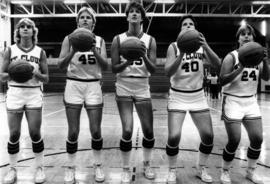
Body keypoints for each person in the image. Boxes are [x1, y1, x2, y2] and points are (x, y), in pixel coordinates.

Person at [164, 15, 221, 183]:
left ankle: (200, 168)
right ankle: (172, 170)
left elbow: (217, 63)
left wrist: (206, 45)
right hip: (177, 95)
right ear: (180, 29)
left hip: (197, 96)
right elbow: (167, 72)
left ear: (196, 29)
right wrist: (181, 54)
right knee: (174, 136)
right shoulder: (173, 47)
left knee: (208, 136)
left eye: (191, 24)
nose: (188, 26)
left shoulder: (201, 48)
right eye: (184, 24)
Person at [58, 6, 108, 183]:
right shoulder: (69, 39)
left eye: (88, 18)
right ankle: (70, 167)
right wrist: (74, 49)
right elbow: (61, 65)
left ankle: (98, 165)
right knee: (73, 132)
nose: (85, 20)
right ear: (77, 22)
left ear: (93, 23)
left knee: (95, 130)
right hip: (74, 85)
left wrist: (93, 49)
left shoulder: (100, 40)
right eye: (82, 17)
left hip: (93, 86)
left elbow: (106, 66)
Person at [110, 1, 157, 183]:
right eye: (132, 12)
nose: (135, 14)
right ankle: (125, 168)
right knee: (128, 130)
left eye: (138, 12)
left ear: (142, 17)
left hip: (143, 86)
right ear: (127, 16)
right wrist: (128, 62)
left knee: (148, 131)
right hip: (123, 85)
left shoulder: (150, 40)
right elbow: (114, 69)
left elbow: (153, 70)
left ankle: (147, 163)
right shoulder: (118, 39)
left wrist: (143, 54)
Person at [219, 24, 270, 184]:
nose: (246, 36)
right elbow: (222, 80)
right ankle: (225, 171)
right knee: (234, 139)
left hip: (250, 101)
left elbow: (266, 78)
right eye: (243, 34)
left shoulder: (257, 56)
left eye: (249, 34)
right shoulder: (231, 56)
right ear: (238, 39)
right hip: (232, 100)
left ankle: (250, 171)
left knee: (257, 139)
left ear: (253, 38)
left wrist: (266, 61)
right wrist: (240, 68)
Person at [0, 18, 49, 184]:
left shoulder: (40, 52)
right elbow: (1, 76)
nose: (26, 29)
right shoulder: (10, 50)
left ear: (33, 31)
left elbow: (47, 78)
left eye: (29, 26)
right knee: (14, 134)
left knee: (35, 133)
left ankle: (40, 167)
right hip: (15, 92)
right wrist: (16, 73)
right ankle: (12, 169)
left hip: (34, 93)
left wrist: (35, 74)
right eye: (22, 26)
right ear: (18, 32)